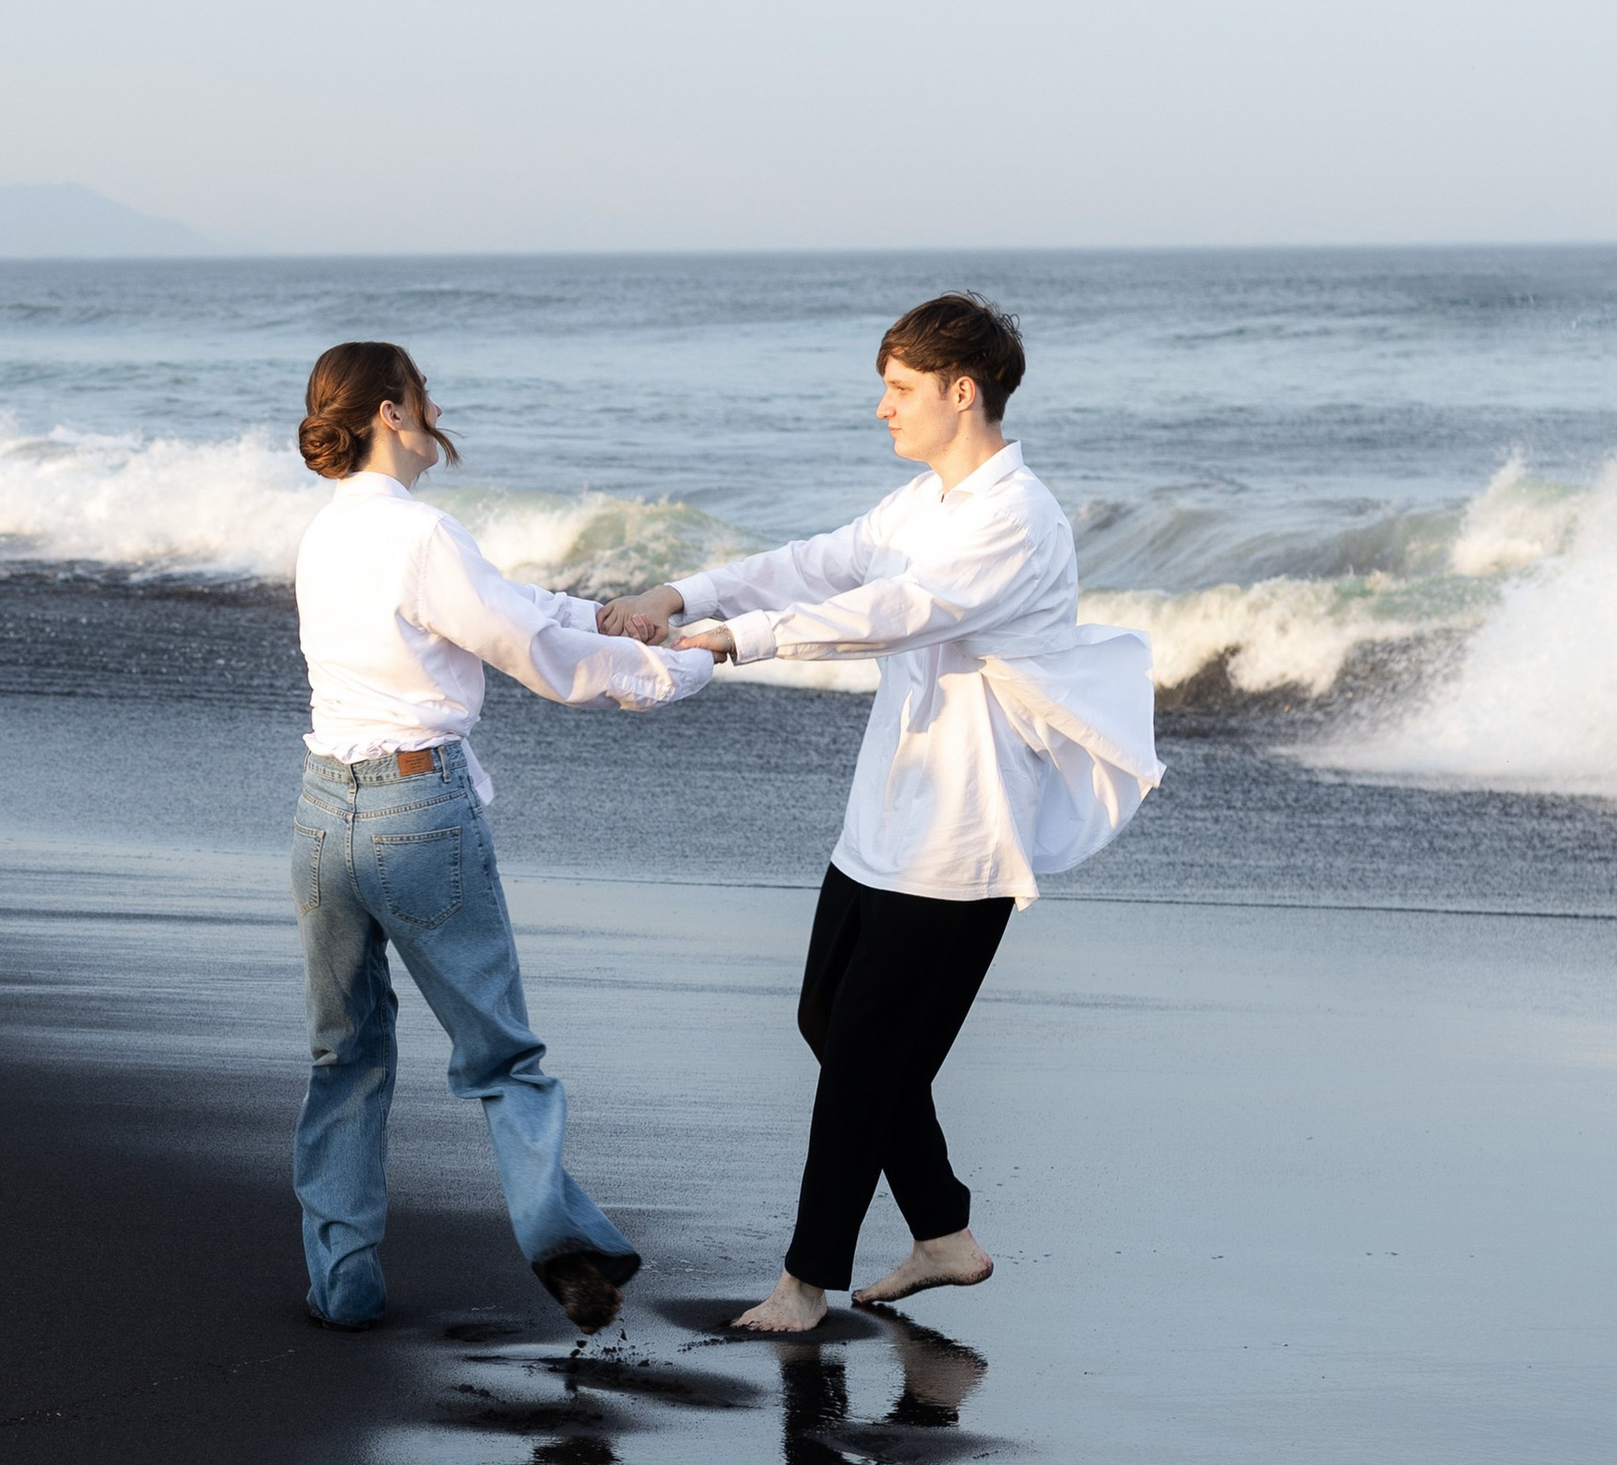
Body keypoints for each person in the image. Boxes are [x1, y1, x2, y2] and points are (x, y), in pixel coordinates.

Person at [599, 293, 1157, 1335]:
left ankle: (804, 1283)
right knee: (830, 1024)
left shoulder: (1016, 518)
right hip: (883, 820)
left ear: (961, 390)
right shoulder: (925, 503)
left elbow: (894, 613)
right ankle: (942, 1230)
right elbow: (821, 561)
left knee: (863, 1058)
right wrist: (683, 594)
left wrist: (739, 638)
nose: (882, 407)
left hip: (958, 837)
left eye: (899, 388)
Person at [290, 339, 711, 1333]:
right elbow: (533, 652)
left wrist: (600, 613)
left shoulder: (323, 534)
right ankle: (565, 1246)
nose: (435, 413)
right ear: (391, 412)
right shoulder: (423, 535)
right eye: (423, 396)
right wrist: (676, 670)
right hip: (417, 811)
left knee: (344, 1054)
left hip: (320, 815)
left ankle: (342, 1282)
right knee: (498, 1054)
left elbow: (514, 608)